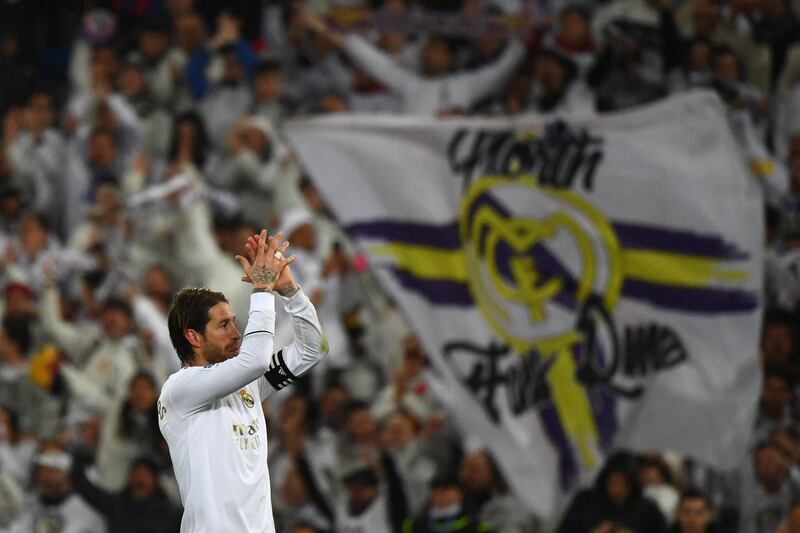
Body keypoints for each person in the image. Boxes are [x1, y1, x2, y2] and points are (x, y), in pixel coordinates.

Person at [158, 229, 328, 532]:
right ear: (193, 337)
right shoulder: (179, 390)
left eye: (234, 322)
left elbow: (312, 349)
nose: (236, 333)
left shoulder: (247, 384)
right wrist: (262, 288)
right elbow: (257, 360)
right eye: (223, 325)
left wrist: (290, 292)